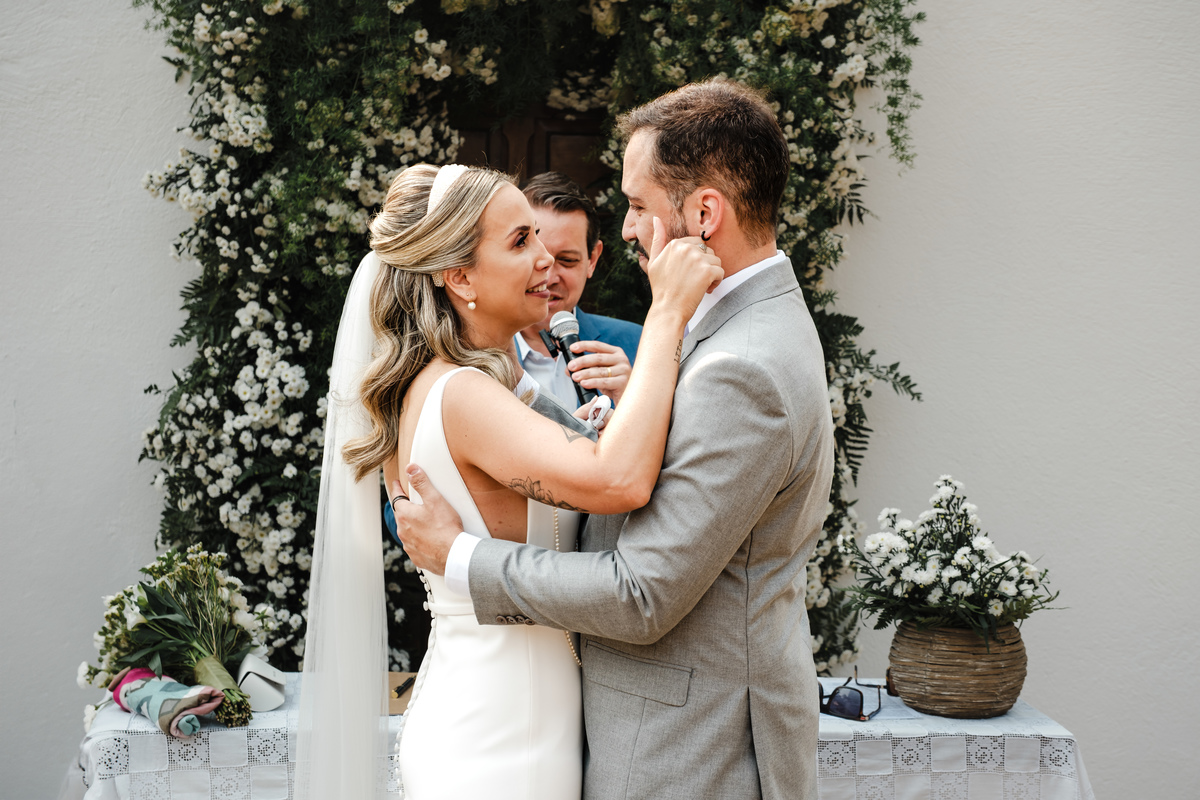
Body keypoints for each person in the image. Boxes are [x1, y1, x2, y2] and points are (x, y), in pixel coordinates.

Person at [393, 78, 835, 800]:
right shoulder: (741, 331)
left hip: (689, 754)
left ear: (703, 214)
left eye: (637, 206)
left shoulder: (742, 365)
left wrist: (460, 556)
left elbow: (640, 593)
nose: (626, 230)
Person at [294, 162, 722, 800]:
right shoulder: (461, 392)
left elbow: (593, 455)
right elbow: (620, 481)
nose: (545, 259)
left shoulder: (477, 381)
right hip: (500, 738)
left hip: (514, 717)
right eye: (521, 241)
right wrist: (667, 314)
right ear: (460, 276)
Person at [515, 172, 643, 408]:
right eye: (535, 258)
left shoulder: (641, 346)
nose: (549, 278)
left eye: (567, 260)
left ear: (592, 259)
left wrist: (631, 402)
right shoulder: (473, 355)